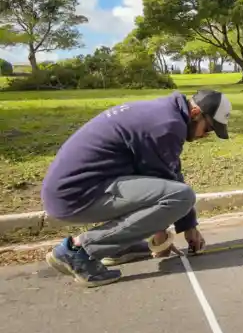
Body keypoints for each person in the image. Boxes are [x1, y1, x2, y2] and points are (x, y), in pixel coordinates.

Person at [40, 89, 232, 287]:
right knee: (182, 197)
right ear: (194, 114)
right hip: (74, 195)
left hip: (77, 188)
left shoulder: (164, 113)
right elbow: (166, 187)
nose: (204, 136)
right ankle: (78, 250)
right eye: (208, 129)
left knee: (176, 193)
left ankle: (117, 247)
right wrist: (161, 235)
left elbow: (169, 173)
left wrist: (188, 226)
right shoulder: (167, 126)